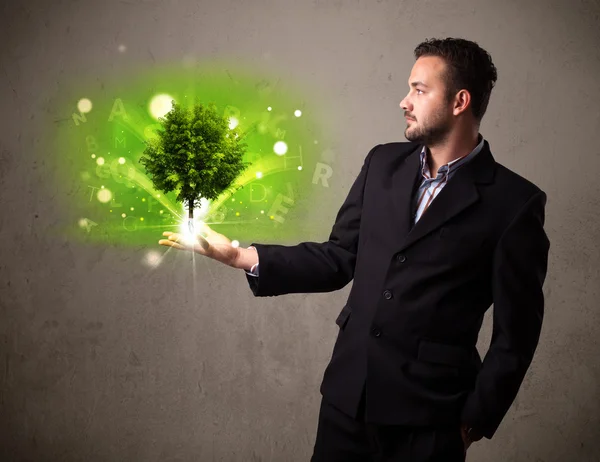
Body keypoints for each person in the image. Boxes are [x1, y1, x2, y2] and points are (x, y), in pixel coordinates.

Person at [159, 37, 550, 462]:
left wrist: (472, 422)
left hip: (431, 418)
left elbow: (517, 334)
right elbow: (339, 257)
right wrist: (238, 257)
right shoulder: (382, 164)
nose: (405, 101)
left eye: (419, 90)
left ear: (460, 101)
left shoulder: (514, 203)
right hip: (347, 400)